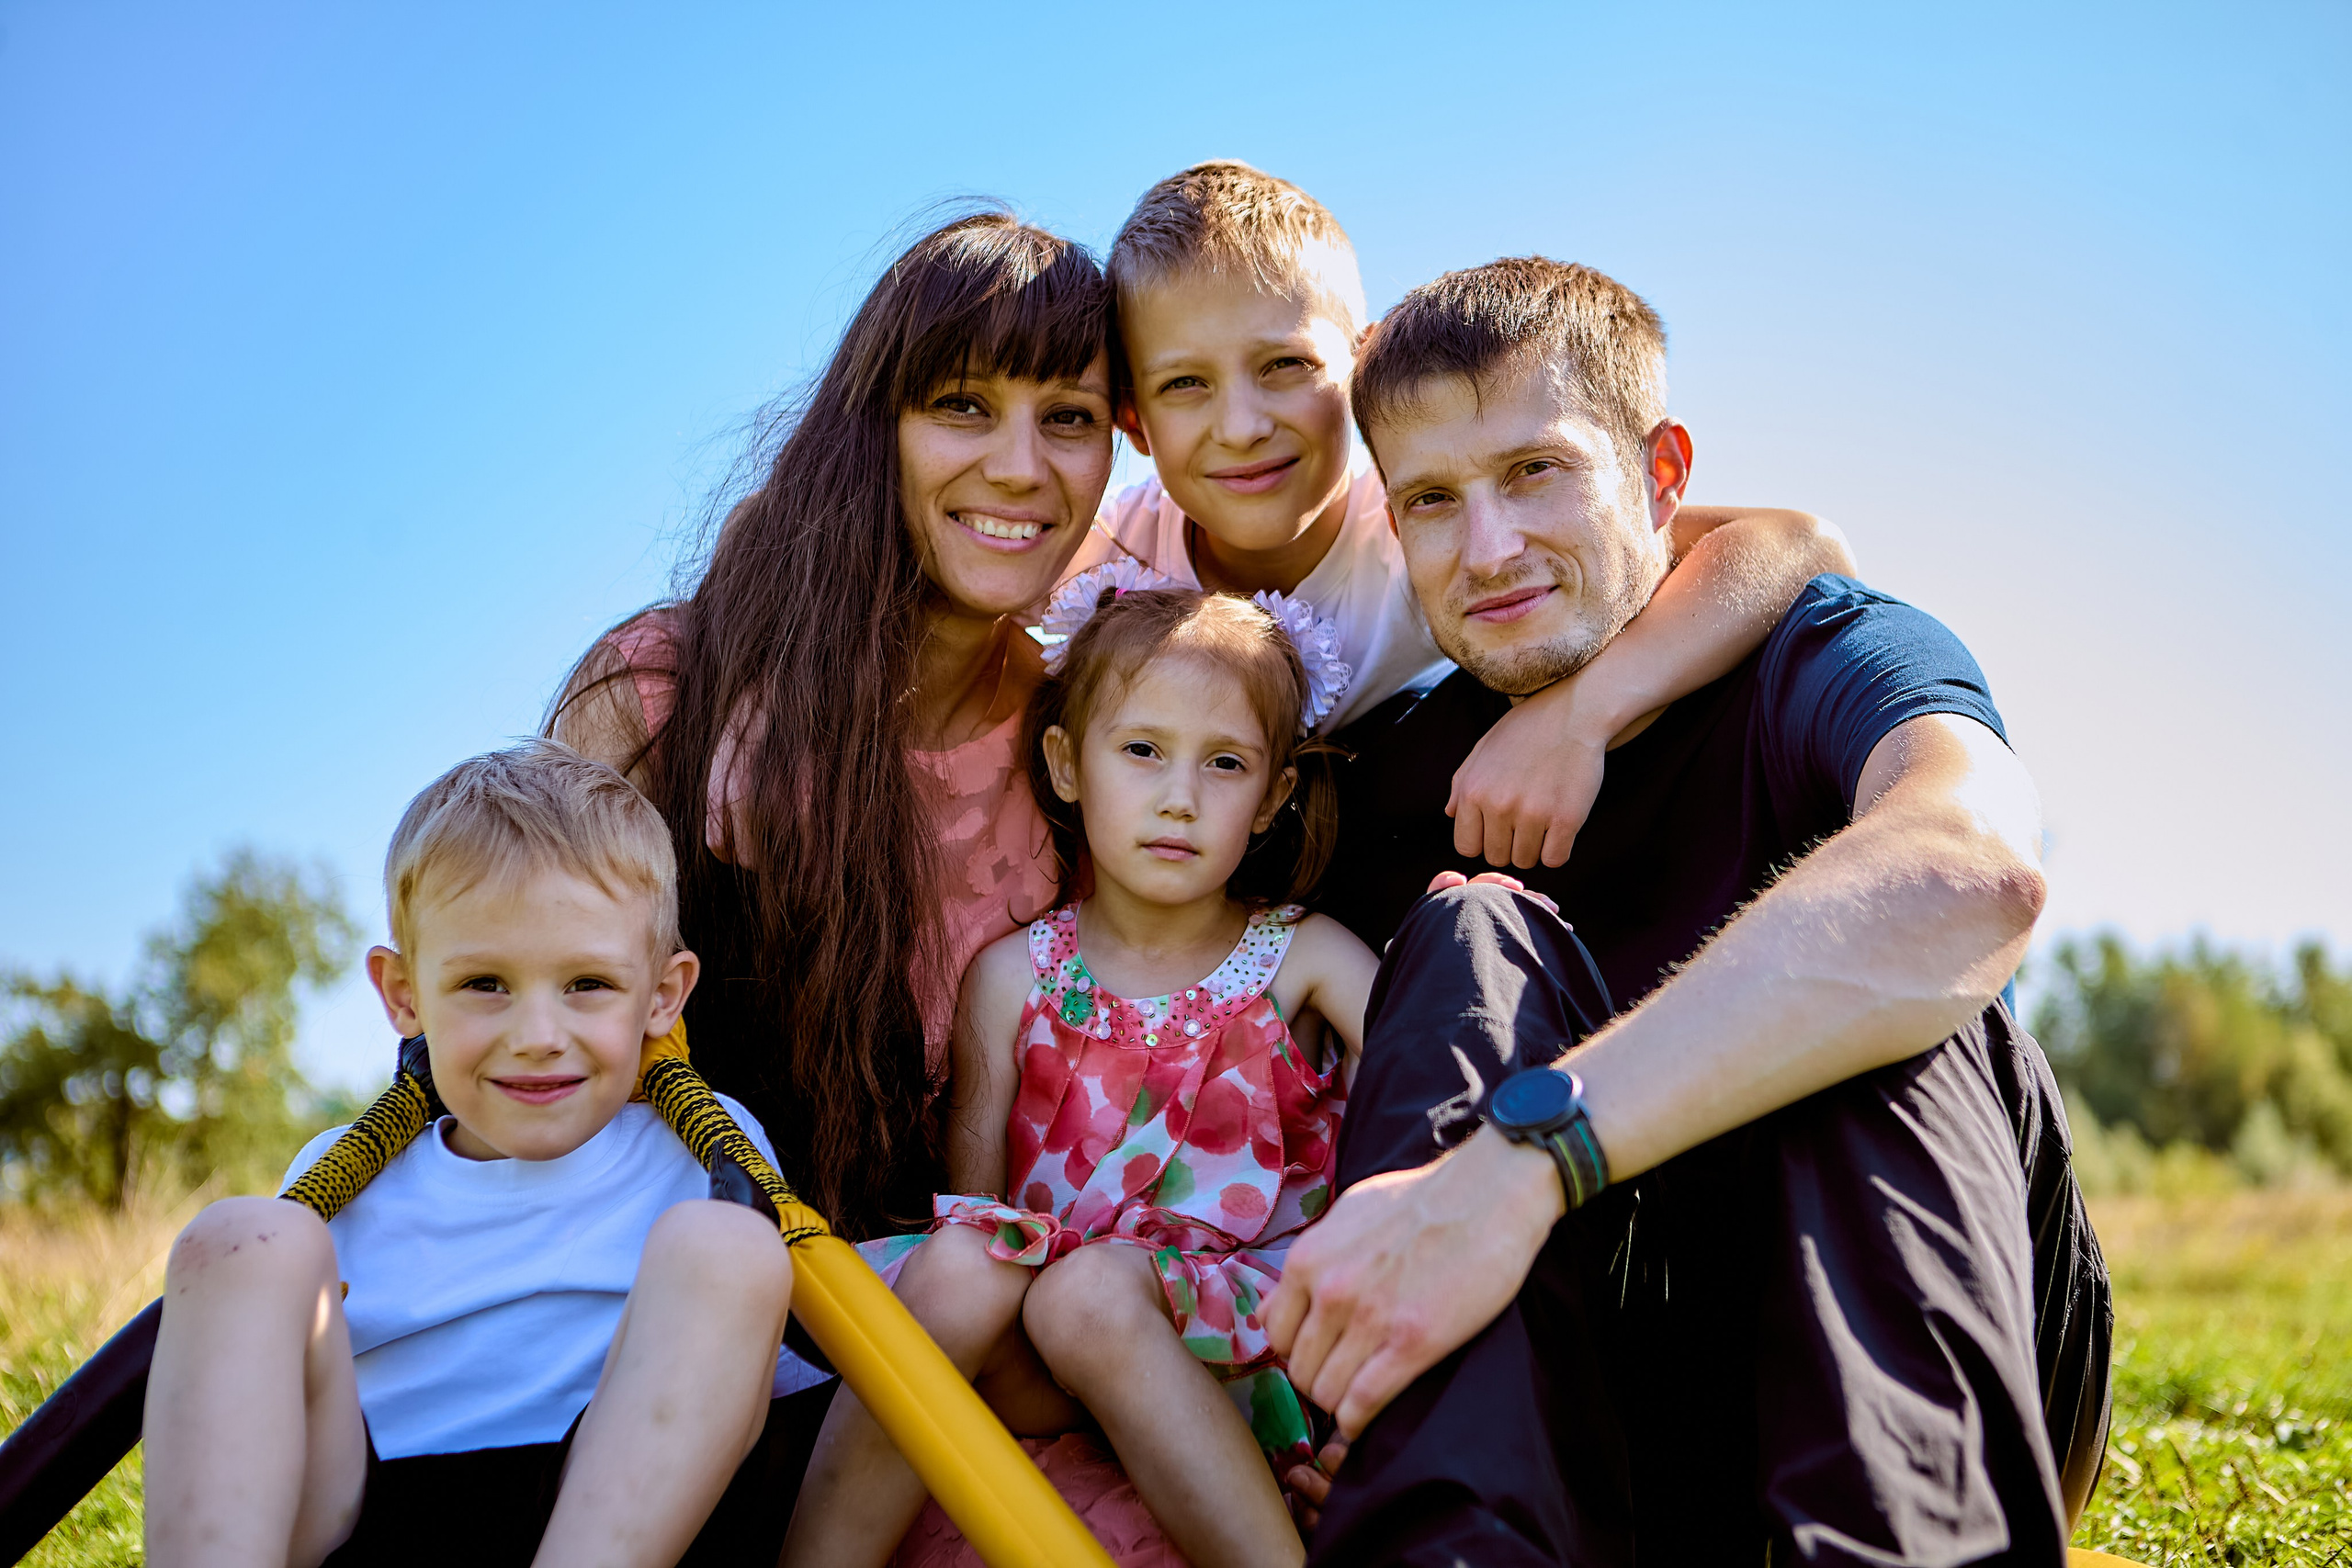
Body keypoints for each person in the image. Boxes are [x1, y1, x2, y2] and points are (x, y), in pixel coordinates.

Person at [1267, 258, 2112, 1566]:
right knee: (1470, 931)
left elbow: (1971, 866)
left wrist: (1519, 1166)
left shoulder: (1823, 649)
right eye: (1433, 499)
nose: (1488, 548)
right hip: (1598, 1429)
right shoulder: (1391, 779)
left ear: (1664, 475)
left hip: (1916, 1359)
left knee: (1862, 960)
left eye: (1537, 470)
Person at [785, 583, 1380, 1568]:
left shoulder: (1305, 960)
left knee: (1089, 1296)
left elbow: (1438, 1099)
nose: (1178, 796)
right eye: (1141, 751)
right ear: (1067, 764)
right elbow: (973, 1214)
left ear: (1273, 795)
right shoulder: (1013, 977)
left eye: (1224, 764)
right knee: (976, 1272)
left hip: (1235, 1359)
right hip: (1038, 1354)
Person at [1066, 159, 1859, 865]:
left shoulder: (1430, 520)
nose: (1240, 425)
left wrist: (1582, 713)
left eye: (1286, 365)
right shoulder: (1105, 560)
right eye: (1184, 384)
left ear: (1361, 368)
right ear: (1132, 419)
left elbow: (1799, 545)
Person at [141, 741, 798, 1568]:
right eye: (485, 983)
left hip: (610, 1514)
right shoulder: (344, 1173)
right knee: (243, 1237)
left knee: (731, 1243)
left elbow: (760, 1404)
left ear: (662, 996)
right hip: (366, 1512)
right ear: (404, 994)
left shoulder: (704, 1155)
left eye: (587, 984)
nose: (536, 1038)